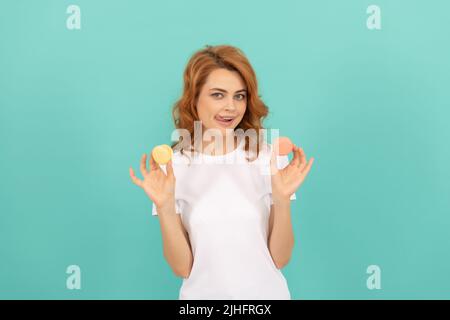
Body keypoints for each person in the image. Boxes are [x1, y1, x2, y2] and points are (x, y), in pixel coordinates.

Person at [129, 45, 314, 299]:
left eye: (239, 96)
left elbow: (280, 259)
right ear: (194, 99)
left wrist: (282, 199)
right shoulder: (174, 167)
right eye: (218, 95)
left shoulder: (267, 158)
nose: (231, 107)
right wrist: (164, 206)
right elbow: (182, 267)